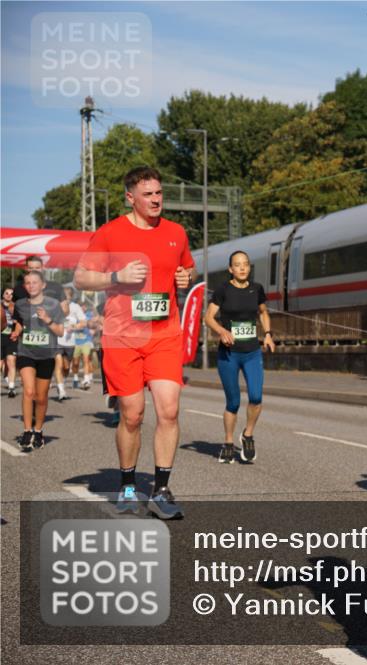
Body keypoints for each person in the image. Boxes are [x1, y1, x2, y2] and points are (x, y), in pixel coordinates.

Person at [74, 166, 195, 519]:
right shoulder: (110, 233)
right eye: (148, 194)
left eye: (159, 193)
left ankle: (161, 490)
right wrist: (117, 276)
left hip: (164, 335)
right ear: (131, 197)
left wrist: (187, 276)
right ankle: (127, 485)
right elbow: (81, 277)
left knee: (169, 410)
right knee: (132, 414)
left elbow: (187, 269)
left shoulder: (175, 232)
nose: (156, 200)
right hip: (123, 337)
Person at [205, 250, 274, 464]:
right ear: (231, 269)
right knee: (233, 402)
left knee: (256, 397)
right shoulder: (223, 290)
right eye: (237, 264)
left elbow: (263, 312)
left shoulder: (257, 289)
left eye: (245, 264)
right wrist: (221, 331)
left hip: (252, 352)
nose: (242, 268)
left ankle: (248, 435)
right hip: (229, 354)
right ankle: (228, 443)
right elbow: (208, 317)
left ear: (249, 267)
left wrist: (268, 334)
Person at [9, 271, 65, 451]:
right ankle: (27, 431)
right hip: (26, 353)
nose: (31, 285)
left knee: (41, 398)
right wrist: (17, 332)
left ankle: (38, 431)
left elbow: (60, 332)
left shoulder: (53, 305)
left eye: (34, 282)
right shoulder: (20, 304)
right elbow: (19, 323)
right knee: (29, 391)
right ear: (24, 286)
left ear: (43, 285)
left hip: (46, 355)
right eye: (28, 283)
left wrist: (48, 320)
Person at [53, 287, 84, 402]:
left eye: (67, 297)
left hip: (70, 342)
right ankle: (61, 390)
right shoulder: (56, 306)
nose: (64, 299)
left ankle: (62, 382)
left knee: (66, 367)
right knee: (59, 364)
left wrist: (74, 327)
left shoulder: (76, 307)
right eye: (63, 296)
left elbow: (83, 322)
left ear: (71, 297)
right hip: (57, 340)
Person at [71, 300, 96, 390]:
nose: (83, 308)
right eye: (81, 306)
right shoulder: (74, 316)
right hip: (76, 342)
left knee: (86, 359)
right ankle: (75, 377)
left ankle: (86, 379)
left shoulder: (89, 315)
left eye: (84, 306)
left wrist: (93, 329)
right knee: (75, 363)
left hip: (86, 341)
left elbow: (94, 324)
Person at [2, 287, 16, 398]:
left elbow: (22, 321)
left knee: (11, 361)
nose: (8, 295)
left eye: (11, 294)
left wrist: (16, 320)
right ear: (3, 295)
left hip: (11, 337)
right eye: (6, 293)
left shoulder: (16, 307)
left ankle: (11, 388)